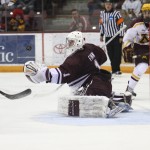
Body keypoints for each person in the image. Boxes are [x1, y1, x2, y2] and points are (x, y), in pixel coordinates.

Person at [23, 31, 132, 117]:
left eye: (71, 42)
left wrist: (43, 74)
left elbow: (62, 75)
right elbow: (103, 57)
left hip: (94, 85)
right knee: (93, 90)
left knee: (82, 96)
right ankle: (122, 98)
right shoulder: (90, 47)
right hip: (102, 81)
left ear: (78, 42)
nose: (68, 44)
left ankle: (108, 105)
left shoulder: (75, 58)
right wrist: (93, 55)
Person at [122, 3, 150, 98]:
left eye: (149, 12)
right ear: (142, 12)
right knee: (142, 67)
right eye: (145, 12)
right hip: (141, 48)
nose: (147, 14)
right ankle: (129, 89)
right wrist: (127, 48)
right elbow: (127, 39)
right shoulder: (136, 24)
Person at [99, 0, 125, 75]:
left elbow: (122, 25)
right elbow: (101, 25)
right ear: (104, 5)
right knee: (110, 54)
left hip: (116, 37)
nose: (108, 5)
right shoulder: (102, 14)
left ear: (112, 5)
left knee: (117, 54)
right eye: (106, 4)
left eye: (109, 4)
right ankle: (114, 70)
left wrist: (121, 36)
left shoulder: (116, 13)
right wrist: (101, 34)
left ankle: (116, 69)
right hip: (107, 37)